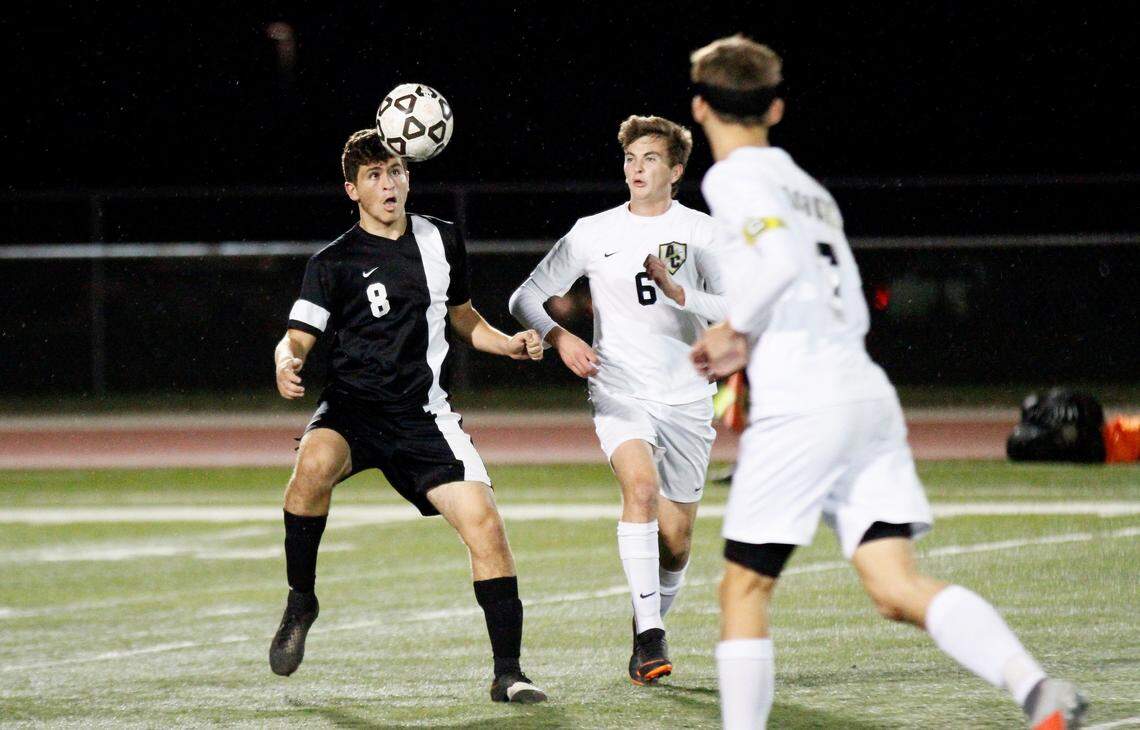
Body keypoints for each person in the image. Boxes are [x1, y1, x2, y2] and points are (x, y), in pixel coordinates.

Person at [686, 36, 1087, 729]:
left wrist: (734, 334)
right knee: (896, 586)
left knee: (742, 588)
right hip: (865, 395)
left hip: (804, 400)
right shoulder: (808, 188)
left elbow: (778, 262)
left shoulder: (731, 178)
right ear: (775, 108)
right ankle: (1036, 690)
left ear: (699, 107)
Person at [269, 128, 547, 704]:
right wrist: (287, 362)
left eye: (396, 171)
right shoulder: (333, 261)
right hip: (353, 409)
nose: (389, 183)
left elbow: (465, 318)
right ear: (352, 189)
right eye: (374, 175)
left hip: (423, 415)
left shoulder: (443, 240)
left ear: (410, 175)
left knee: (486, 526)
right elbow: (295, 338)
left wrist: (509, 344)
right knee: (310, 468)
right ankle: (302, 598)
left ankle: (509, 673)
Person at [509, 115, 726, 684]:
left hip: (687, 397)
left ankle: (645, 619)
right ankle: (651, 639)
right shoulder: (592, 231)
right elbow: (525, 296)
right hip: (619, 386)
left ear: (676, 171)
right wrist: (560, 336)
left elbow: (739, 310)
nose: (636, 167)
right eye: (631, 158)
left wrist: (687, 293)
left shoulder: (702, 232)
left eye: (651, 158)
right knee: (640, 488)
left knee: (676, 546)